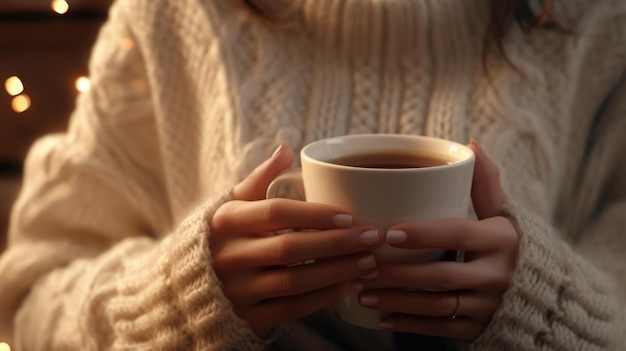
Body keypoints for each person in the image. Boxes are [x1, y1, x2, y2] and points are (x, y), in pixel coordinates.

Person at [0, 0, 624, 349]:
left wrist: (547, 308)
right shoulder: (171, 17)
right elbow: (28, 300)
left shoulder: (596, 23)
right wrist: (182, 299)